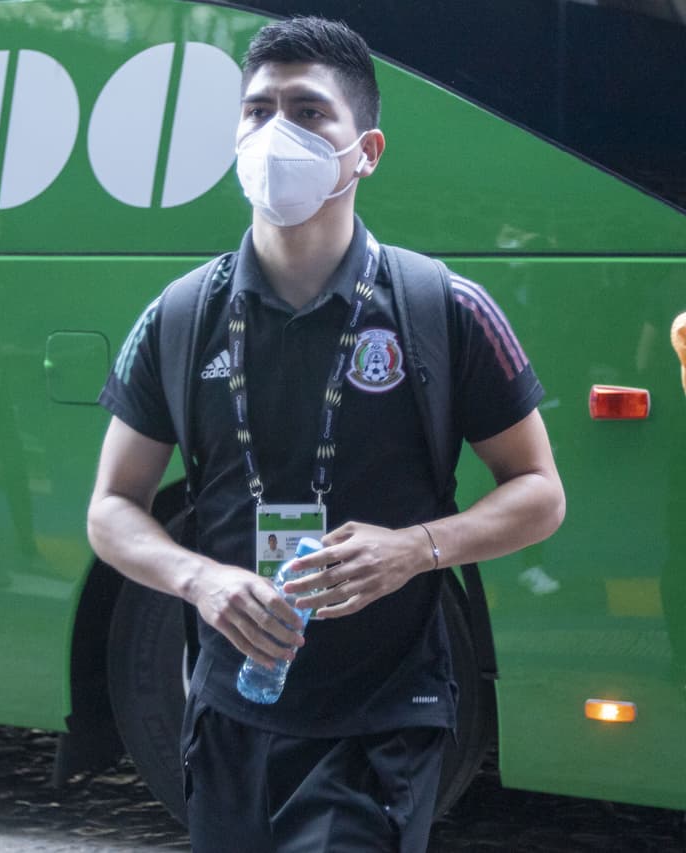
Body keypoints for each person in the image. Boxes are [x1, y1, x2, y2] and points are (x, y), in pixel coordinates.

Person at [87, 16, 565, 852]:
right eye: (257, 110)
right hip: (230, 708)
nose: (277, 133)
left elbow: (539, 493)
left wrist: (417, 547)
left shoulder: (444, 308)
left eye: (309, 113)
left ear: (367, 150)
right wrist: (200, 580)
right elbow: (112, 510)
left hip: (383, 717)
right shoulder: (179, 317)